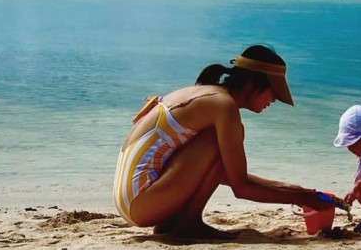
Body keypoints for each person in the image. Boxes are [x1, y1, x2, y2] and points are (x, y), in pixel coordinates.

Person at [114, 44, 340, 238]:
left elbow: (222, 174)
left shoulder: (206, 94)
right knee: (224, 137)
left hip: (133, 201)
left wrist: (299, 192)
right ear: (253, 84)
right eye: (273, 93)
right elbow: (241, 187)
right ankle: (188, 224)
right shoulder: (223, 106)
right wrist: (301, 198)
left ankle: (174, 224)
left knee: (224, 140)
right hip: (142, 202)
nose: (273, 100)